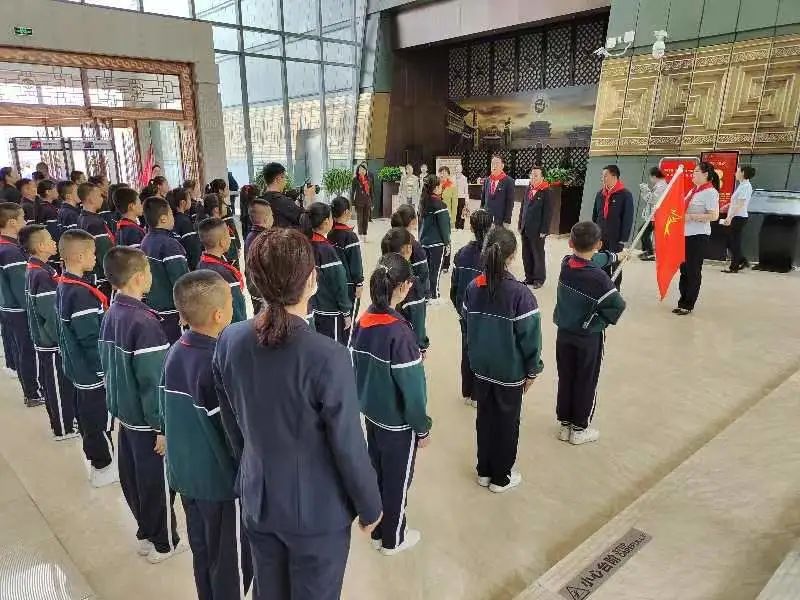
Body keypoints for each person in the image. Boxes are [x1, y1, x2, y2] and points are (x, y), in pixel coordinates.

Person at [213, 228, 382, 600]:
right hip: (317, 513)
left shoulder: (230, 340)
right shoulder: (328, 356)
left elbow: (233, 423)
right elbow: (348, 445)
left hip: (259, 498)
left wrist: (252, 467)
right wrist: (370, 505)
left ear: (255, 282)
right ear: (311, 280)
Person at [160, 270, 253, 598]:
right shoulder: (218, 364)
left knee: (204, 554)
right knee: (231, 563)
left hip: (187, 478)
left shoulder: (175, 351)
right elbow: (235, 434)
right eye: (230, 302)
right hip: (221, 485)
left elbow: (165, 414)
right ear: (218, 315)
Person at [99, 246, 183, 563]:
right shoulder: (145, 323)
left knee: (133, 478)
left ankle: (146, 532)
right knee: (155, 482)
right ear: (138, 278)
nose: (151, 276)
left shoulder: (112, 313)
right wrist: (162, 426)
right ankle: (164, 542)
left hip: (126, 413)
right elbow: (153, 381)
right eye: (148, 271)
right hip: (147, 421)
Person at [351, 253, 431, 555]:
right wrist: (422, 427)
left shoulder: (363, 321)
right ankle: (393, 539)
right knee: (397, 481)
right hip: (398, 424)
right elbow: (413, 391)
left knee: (378, 472)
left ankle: (378, 528)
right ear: (404, 287)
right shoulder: (401, 333)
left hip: (371, 414)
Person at [463, 226, 543, 493]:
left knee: (484, 419)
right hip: (509, 373)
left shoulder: (473, 287)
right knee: (507, 423)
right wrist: (532, 370)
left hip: (481, 369)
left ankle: (484, 471)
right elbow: (530, 338)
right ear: (513, 256)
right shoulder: (521, 294)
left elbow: (466, 326)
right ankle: (501, 477)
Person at [554, 222, 627, 445]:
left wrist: (616, 257)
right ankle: (579, 429)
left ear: (570, 243)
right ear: (599, 244)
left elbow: (593, 260)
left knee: (566, 377)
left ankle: (565, 424)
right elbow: (617, 306)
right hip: (588, 339)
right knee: (586, 380)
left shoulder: (566, 264)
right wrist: (597, 321)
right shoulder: (599, 279)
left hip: (564, 335)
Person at [56, 229, 117, 488]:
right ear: (79, 256)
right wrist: (103, 370)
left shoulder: (66, 285)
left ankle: (99, 462)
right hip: (91, 371)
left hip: (78, 368)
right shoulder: (80, 295)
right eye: (92, 253)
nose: (95, 257)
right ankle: (103, 466)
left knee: (88, 416)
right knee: (97, 419)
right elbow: (90, 339)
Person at [21, 225, 78, 438]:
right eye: (49, 240)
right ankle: (62, 427)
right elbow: (50, 314)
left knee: (61, 383)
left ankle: (66, 419)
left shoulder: (41, 269)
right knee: (56, 384)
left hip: (51, 340)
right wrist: (61, 338)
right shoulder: (40, 275)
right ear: (40, 246)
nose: (54, 242)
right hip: (51, 342)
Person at [0, 203, 45, 407]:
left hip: (7, 306)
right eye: (22, 218)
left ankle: (30, 390)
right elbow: (21, 286)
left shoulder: (6, 247)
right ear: (12, 223)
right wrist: (35, 310)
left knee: (19, 348)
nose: (25, 222)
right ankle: (32, 392)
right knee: (27, 350)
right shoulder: (10, 251)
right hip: (19, 309)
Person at [450, 209, 493, 406]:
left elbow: (454, 288)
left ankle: (467, 391)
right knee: (484, 351)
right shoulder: (493, 255)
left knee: (467, 349)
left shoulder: (461, 254)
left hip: (466, 311)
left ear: (471, 227)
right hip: (487, 314)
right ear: (490, 228)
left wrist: (460, 307)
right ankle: (477, 393)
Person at [301, 203, 352, 344]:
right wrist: (346, 311)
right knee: (332, 348)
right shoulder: (326, 250)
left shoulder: (305, 244)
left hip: (311, 308)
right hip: (330, 313)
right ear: (325, 222)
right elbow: (339, 282)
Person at [140, 197, 189, 341]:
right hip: (172, 312)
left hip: (153, 309)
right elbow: (181, 281)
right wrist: (185, 310)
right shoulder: (170, 245)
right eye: (171, 214)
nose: (173, 218)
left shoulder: (146, 241)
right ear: (163, 219)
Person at [674, 162, 720, 315]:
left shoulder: (710, 192)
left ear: (705, 174)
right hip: (685, 235)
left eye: (696, 171)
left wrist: (691, 217)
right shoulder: (693, 191)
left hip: (698, 236)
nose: (692, 174)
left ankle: (688, 304)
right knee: (684, 270)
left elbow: (714, 216)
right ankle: (682, 301)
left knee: (693, 270)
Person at [380, 227, 429, 356]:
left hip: (382, 337)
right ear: (408, 248)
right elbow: (417, 319)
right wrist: (421, 347)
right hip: (404, 344)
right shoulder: (411, 282)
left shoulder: (380, 273)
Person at [197, 218, 247, 324]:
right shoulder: (225, 275)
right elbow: (237, 310)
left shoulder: (202, 264)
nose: (230, 238)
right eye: (228, 235)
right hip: (231, 329)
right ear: (222, 242)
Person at [592, 165, 633, 289]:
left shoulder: (625, 194)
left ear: (614, 176)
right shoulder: (600, 194)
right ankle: (604, 288)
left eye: (605, 175)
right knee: (602, 262)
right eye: (602, 176)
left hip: (616, 238)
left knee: (616, 263)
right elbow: (595, 215)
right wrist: (595, 234)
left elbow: (627, 218)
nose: (602, 178)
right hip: (601, 236)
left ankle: (615, 290)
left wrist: (623, 238)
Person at [327, 196, 364, 318]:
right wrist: (359, 283)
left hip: (333, 283)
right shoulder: (350, 236)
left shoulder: (329, 234)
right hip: (349, 285)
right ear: (347, 212)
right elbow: (356, 263)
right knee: (349, 318)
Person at [517, 165, 553, 288]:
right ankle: (529, 277)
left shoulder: (546, 191)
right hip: (525, 228)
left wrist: (544, 230)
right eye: (531, 175)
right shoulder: (528, 188)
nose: (533, 177)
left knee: (537, 255)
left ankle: (539, 279)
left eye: (536, 175)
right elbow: (523, 208)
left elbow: (548, 213)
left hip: (538, 230)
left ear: (542, 177)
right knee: (526, 254)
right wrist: (520, 224)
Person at [77, 182, 115, 295]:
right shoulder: (94, 223)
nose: (102, 198)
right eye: (99, 195)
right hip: (101, 276)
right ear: (91, 199)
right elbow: (104, 252)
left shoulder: (82, 218)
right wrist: (114, 276)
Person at [418, 174, 451, 303]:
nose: (441, 187)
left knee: (425, 270)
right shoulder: (440, 205)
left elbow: (420, 225)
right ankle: (434, 295)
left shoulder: (423, 203)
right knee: (435, 271)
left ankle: (426, 295)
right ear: (436, 188)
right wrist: (447, 243)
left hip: (424, 242)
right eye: (440, 185)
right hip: (437, 243)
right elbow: (444, 227)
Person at [391, 205, 429, 299]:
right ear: (414, 222)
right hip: (411, 297)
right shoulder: (415, 246)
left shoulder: (389, 240)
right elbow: (423, 275)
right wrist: (426, 296)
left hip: (391, 295)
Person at [722, 165, 755, 273]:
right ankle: (741, 260)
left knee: (733, 242)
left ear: (743, 173)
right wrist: (727, 206)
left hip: (738, 217)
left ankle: (735, 265)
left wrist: (730, 217)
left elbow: (740, 204)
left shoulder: (746, 186)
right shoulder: (742, 185)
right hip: (736, 216)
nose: (735, 173)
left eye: (737, 171)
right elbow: (736, 202)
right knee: (731, 241)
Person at [244, 198, 273, 315]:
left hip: (254, 287)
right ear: (266, 218)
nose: (273, 218)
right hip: (265, 292)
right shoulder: (267, 239)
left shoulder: (250, 236)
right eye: (272, 215)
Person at [167, 187, 202, 270]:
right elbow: (193, 248)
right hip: (189, 266)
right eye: (189, 199)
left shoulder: (172, 219)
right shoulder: (185, 222)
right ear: (183, 203)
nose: (191, 201)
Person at [638, 167, 667, 261]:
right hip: (654, 216)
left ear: (654, 176)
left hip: (656, 216)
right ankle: (648, 252)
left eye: (650, 177)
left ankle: (649, 253)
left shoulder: (661, 186)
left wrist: (645, 190)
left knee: (643, 232)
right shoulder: (660, 185)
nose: (650, 180)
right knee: (644, 232)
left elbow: (653, 199)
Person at [262, 163, 301, 228]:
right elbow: (305, 221)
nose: (285, 182)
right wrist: (309, 197)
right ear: (278, 179)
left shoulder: (259, 201)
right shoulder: (285, 202)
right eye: (284, 178)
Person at [480, 155, 514, 227]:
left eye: (497, 163)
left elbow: (510, 203)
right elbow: (483, 201)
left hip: (500, 220)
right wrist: (481, 216)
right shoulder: (487, 180)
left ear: (502, 166)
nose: (494, 166)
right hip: (486, 220)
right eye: (492, 163)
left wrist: (507, 221)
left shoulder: (509, 181)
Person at [351, 163, 373, 239]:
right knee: (360, 219)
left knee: (366, 219)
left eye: (364, 169)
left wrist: (372, 203)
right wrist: (352, 203)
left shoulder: (369, 179)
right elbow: (352, 192)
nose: (362, 171)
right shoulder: (355, 179)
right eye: (360, 169)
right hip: (358, 202)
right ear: (358, 171)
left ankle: (365, 234)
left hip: (367, 202)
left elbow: (371, 192)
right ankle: (360, 234)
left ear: (366, 171)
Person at [36, 179, 60, 244]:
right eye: (55, 189)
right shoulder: (47, 209)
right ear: (48, 192)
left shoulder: (45, 206)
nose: (57, 192)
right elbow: (53, 231)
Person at [454, 162, 470, 230]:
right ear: (455, 169)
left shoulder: (464, 178)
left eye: (459, 168)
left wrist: (467, 200)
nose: (458, 169)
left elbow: (466, 190)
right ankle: (456, 226)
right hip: (454, 197)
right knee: (455, 212)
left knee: (462, 212)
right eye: (457, 168)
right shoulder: (452, 178)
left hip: (462, 197)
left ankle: (461, 226)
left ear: (461, 169)